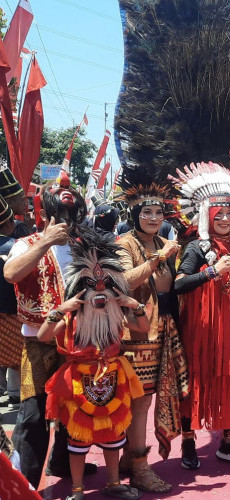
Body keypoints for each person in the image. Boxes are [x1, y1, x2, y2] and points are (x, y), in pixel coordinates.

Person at [38, 230, 147, 500]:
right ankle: (77, 489)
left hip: (112, 378)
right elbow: (43, 335)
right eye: (91, 282)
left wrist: (135, 304)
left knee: (113, 434)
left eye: (106, 282)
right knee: (78, 439)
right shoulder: (73, 316)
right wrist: (62, 309)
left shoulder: (118, 314)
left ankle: (113, 483)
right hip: (77, 382)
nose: (99, 287)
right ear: (79, 287)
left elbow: (142, 328)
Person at [3, 174, 96, 487]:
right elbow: (11, 273)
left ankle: (62, 463)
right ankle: (25, 483)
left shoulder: (83, 246)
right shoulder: (24, 243)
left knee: (75, 409)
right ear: (43, 216)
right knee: (33, 416)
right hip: (38, 346)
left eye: (71, 216)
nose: (67, 222)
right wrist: (44, 242)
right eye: (60, 216)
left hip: (78, 343)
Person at [172, 162, 230, 468]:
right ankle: (189, 442)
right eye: (217, 214)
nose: (223, 219)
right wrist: (210, 272)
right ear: (206, 216)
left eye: (229, 214)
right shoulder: (195, 247)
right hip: (202, 333)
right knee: (196, 381)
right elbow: (179, 285)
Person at [116, 167, 188, 493]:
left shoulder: (165, 242)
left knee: (143, 401)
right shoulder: (124, 243)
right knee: (136, 402)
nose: (154, 217)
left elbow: (169, 288)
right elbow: (125, 281)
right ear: (135, 213)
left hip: (160, 333)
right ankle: (140, 467)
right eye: (147, 211)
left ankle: (128, 461)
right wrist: (158, 257)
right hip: (133, 336)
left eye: (159, 212)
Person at [0, 196, 21, 411]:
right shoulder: (17, 246)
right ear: (9, 223)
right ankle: (15, 393)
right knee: (17, 357)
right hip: (13, 310)